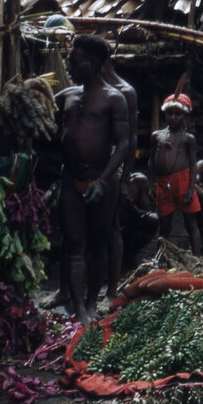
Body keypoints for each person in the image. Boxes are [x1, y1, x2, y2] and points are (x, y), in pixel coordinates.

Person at [53, 34, 130, 324]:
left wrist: (104, 179)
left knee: (97, 242)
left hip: (102, 176)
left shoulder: (114, 98)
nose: (69, 66)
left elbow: (123, 144)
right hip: (70, 177)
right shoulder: (67, 96)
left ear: (95, 64)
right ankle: (79, 308)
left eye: (75, 62)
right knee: (73, 242)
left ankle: (90, 300)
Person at [102, 59, 138, 304]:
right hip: (89, 166)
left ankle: (111, 289)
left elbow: (130, 140)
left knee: (111, 226)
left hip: (112, 167)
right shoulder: (86, 88)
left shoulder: (124, 92)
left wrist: (124, 178)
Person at [149, 92, 201, 255]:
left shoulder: (188, 138)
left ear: (185, 116)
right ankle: (160, 260)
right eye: (169, 113)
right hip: (163, 183)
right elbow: (151, 161)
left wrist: (190, 188)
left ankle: (198, 258)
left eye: (177, 113)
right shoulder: (156, 136)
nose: (173, 117)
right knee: (164, 224)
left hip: (182, 180)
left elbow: (193, 164)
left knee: (190, 222)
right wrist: (152, 184)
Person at [119, 171, 159, 267]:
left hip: (128, 227)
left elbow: (145, 213)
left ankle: (129, 254)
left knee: (152, 219)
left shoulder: (138, 181)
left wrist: (134, 209)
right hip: (106, 230)